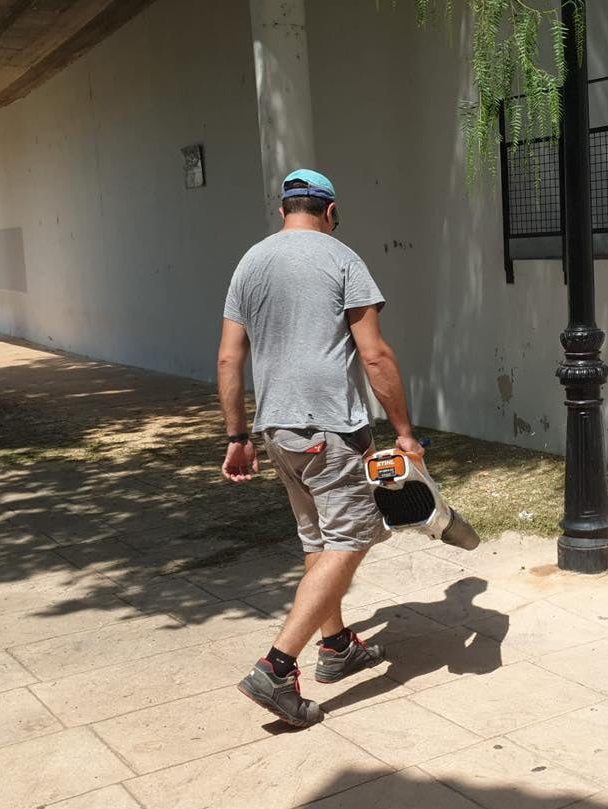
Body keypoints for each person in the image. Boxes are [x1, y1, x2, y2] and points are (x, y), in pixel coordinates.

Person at [217, 168, 424, 727]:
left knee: (318, 537)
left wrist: (238, 435)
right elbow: (375, 355)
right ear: (330, 211)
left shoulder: (251, 262)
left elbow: (229, 359)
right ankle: (278, 668)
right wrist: (405, 432)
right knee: (351, 539)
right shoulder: (342, 259)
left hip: (278, 430)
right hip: (329, 428)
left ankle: (336, 646)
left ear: (283, 209)